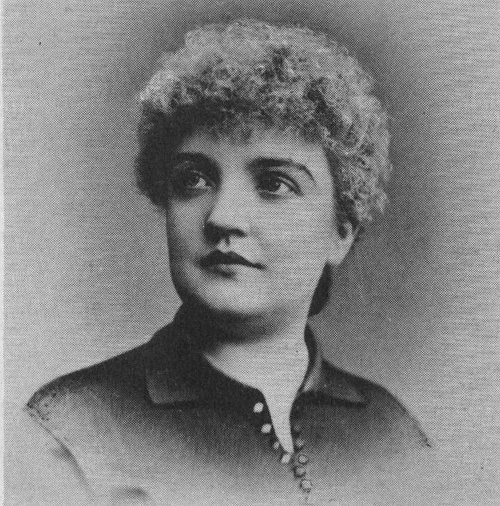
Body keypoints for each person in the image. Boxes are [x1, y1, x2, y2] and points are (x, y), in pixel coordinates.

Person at [25, 19, 430, 505]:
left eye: (274, 184)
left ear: (340, 232)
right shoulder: (71, 432)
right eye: (193, 179)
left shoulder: (393, 435)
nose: (222, 217)